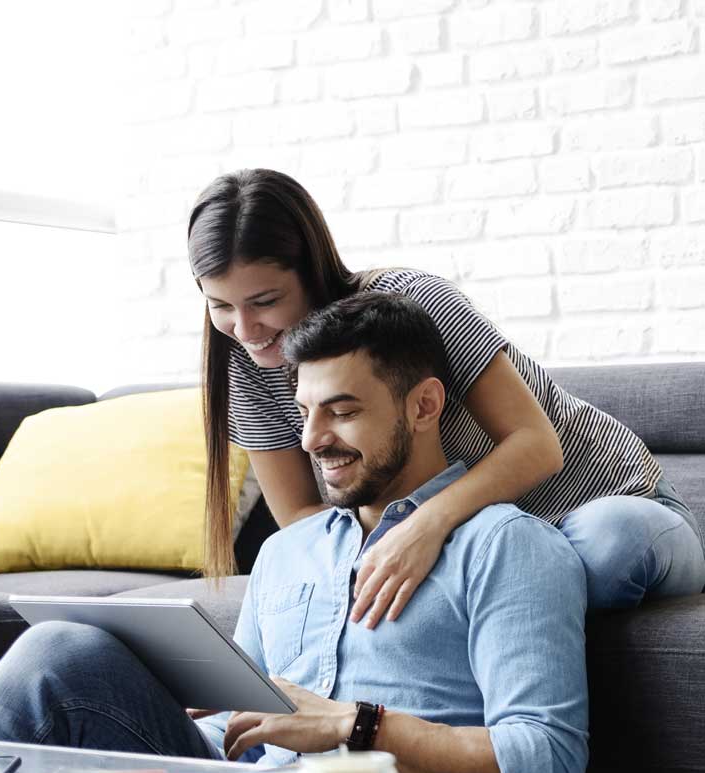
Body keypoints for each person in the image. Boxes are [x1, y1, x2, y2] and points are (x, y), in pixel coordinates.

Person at [0, 294, 589, 773]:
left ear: (424, 407)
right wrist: (198, 708)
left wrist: (356, 725)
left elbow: (550, 760)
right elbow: (246, 731)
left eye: (341, 411)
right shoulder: (290, 551)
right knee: (60, 649)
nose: (312, 440)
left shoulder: (508, 547)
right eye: (303, 411)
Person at [189, 168, 705, 622]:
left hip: (605, 508)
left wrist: (424, 529)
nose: (246, 328)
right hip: (479, 553)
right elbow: (301, 519)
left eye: (265, 301)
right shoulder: (246, 371)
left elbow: (536, 445)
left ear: (312, 269)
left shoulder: (413, 302)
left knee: (604, 549)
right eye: (221, 306)